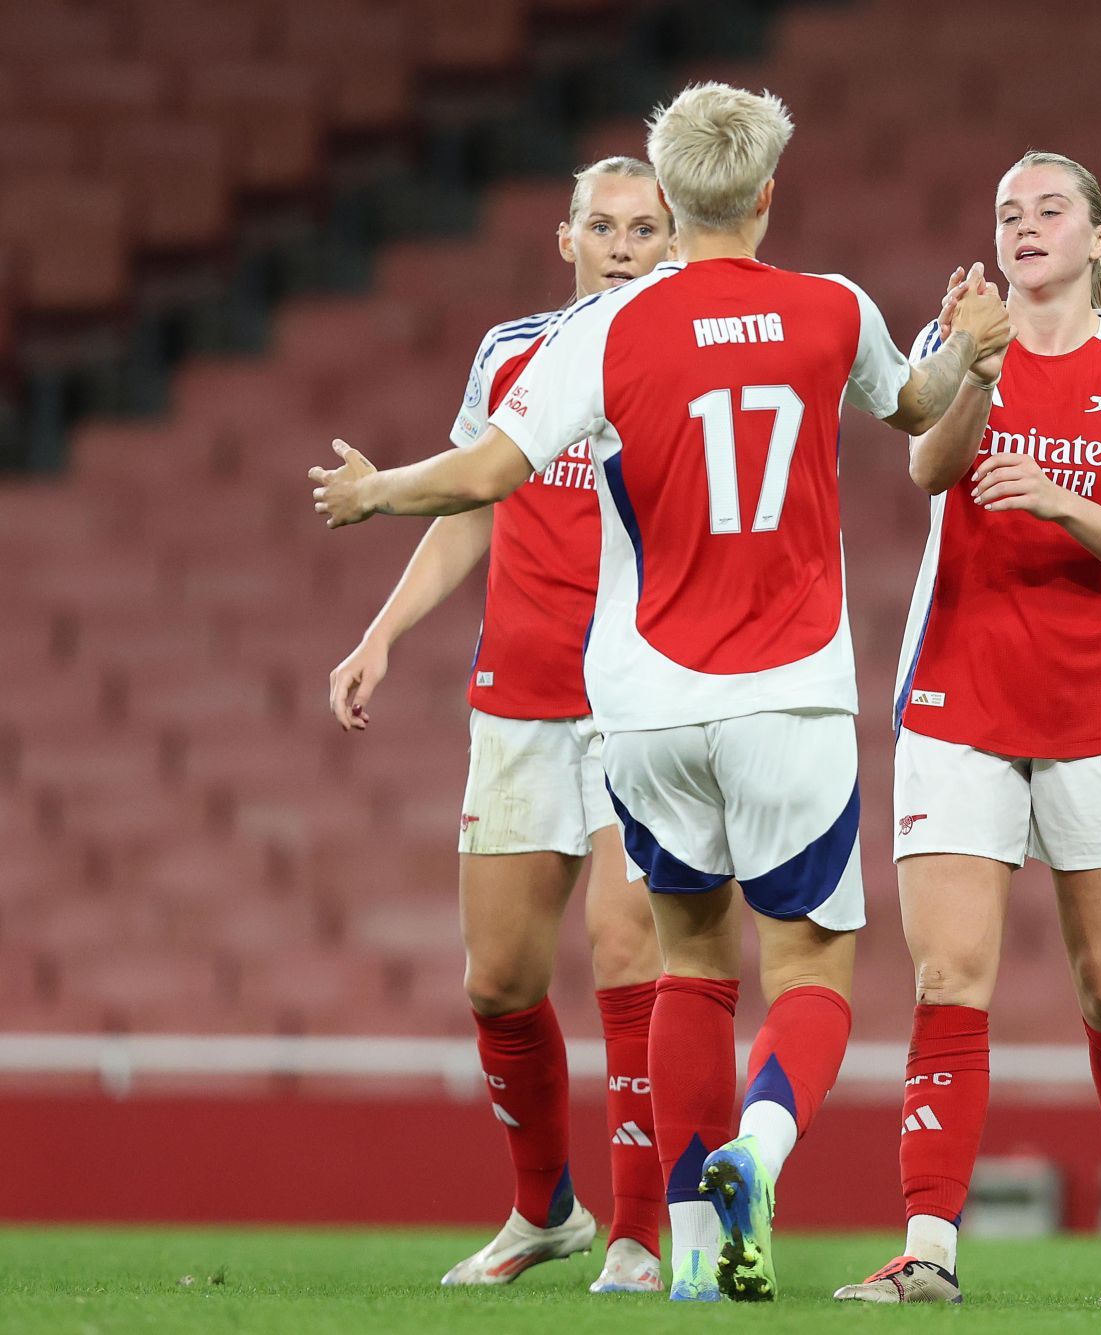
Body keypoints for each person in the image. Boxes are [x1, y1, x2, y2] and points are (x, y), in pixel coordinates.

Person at [308, 82, 1012, 1303]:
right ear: (769, 195)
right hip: (787, 697)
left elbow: (487, 469)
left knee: (689, 965)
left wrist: (377, 493)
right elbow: (919, 411)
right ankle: (761, 1148)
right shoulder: (832, 308)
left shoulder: (601, 333)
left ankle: (684, 1255)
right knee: (811, 972)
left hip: (640, 703)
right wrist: (973, 348)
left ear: (673, 207)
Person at [833, 151, 1101, 1307]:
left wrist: (1056, 499)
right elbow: (926, 470)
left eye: (1052, 209)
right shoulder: (964, 342)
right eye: (1008, 213)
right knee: (951, 975)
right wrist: (979, 369)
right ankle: (929, 1250)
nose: (1026, 225)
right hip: (960, 694)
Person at [323, 156, 677, 1294]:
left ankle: (636, 1233)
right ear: (563, 237)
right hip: (519, 696)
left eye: (645, 228)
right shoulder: (510, 352)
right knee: (499, 982)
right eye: (603, 226)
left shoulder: (681, 353)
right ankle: (546, 1212)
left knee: (628, 956)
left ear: (675, 241)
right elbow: (476, 498)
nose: (622, 245)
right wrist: (383, 633)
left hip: (638, 700)